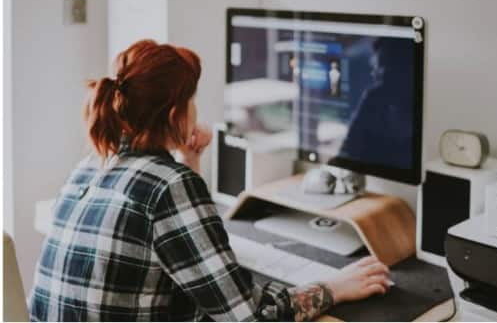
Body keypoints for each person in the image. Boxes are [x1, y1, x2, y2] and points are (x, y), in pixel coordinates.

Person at [28, 40, 391, 322]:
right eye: (193, 99)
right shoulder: (169, 185)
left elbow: (178, 244)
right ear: (176, 113)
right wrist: (335, 288)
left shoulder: (92, 165)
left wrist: (190, 160)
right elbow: (247, 315)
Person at [339, 38, 414, 170]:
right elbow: (347, 150)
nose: (375, 73)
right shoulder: (374, 98)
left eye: (382, 66)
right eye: (376, 66)